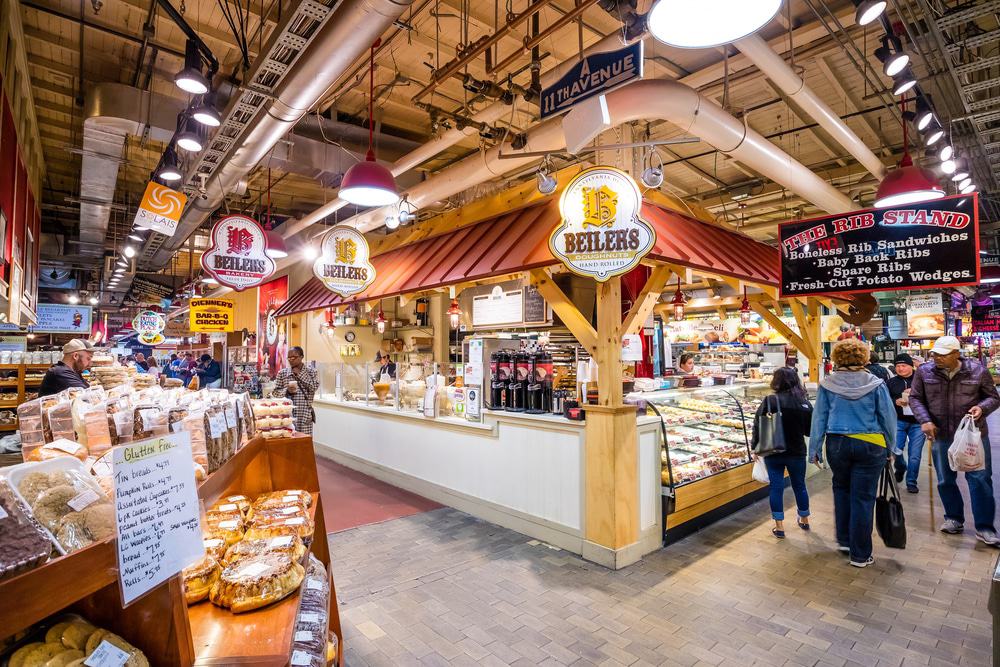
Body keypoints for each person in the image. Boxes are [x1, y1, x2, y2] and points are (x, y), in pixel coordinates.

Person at [809, 338, 897, 568]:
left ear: (837, 358)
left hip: (837, 443)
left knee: (841, 490)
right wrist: (891, 447)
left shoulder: (827, 384)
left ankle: (845, 541)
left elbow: (819, 418)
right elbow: (887, 418)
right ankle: (860, 554)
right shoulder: (876, 383)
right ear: (864, 357)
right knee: (863, 497)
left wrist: (815, 449)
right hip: (871, 444)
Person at [908, 335, 1000, 545]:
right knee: (945, 479)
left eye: (942, 354)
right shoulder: (924, 371)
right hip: (940, 434)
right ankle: (953, 518)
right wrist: (925, 420)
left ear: (956, 354)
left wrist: (982, 408)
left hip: (973, 435)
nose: (936, 358)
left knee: (980, 479)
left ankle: (985, 527)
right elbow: (915, 398)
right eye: (934, 354)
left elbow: (994, 398)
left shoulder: (978, 370)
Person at [752, 367, 813, 539]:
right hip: (797, 451)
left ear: (776, 381)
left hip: (773, 450)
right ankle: (805, 519)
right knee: (799, 486)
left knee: (776, 488)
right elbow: (809, 431)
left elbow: (757, 424)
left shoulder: (770, 400)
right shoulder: (804, 402)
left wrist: (755, 447)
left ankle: (779, 527)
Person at [888, 353, 924, 493]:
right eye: (898, 366)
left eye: (904, 365)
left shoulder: (921, 380)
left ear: (911, 365)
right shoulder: (891, 382)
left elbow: (932, 398)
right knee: (896, 450)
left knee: (915, 454)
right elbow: (885, 400)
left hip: (918, 422)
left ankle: (911, 481)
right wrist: (895, 401)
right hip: (898, 421)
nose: (901, 368)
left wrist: (914, 394)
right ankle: (901, 467)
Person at [272, 346, 318, 434]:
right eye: (289, 358)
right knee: (289, 441)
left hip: (305, 414)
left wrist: (300, 375)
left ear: (301, 357)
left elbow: (313, 388)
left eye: (294, 357)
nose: (290, 360)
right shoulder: (282, 373)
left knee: (304, 442)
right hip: (287, 414)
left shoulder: (312, 372)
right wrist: (286, 390)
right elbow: (275, 393)